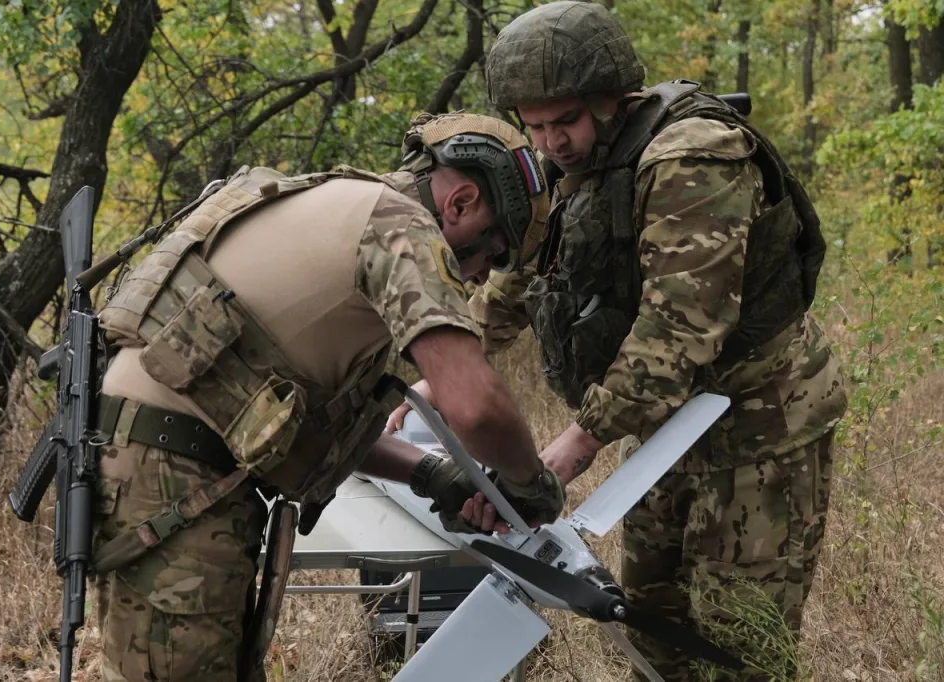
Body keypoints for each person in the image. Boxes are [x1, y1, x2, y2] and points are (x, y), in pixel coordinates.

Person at [387, 2, 847, 679]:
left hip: (759, 431)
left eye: (565, 121)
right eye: (534, 126)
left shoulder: (695, 158)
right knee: (655, 632)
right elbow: (522, 277)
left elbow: (680, 330)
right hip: (667, 435)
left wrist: (569, 451)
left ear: (613, 99)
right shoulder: (577, 166)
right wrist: (440, 371)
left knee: (735, 644)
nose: (551, 143)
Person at [88, 111, 563, 682]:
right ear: (460, 205)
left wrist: (431, 475)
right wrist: (528, 485)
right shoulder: (400, 226)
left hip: (166, 466)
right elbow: (474, 404)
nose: (483, 278)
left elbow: (302, 425)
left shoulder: (342, 205)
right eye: (493, 253)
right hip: (174, 473)